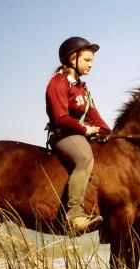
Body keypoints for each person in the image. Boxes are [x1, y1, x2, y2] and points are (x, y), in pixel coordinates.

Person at [45, 36, 111, 236]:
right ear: (72, 59)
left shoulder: (82, 88)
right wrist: (85, 129)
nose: (91, 65)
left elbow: (94, 115)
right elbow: (60, 117)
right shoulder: (57, 83)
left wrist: (110, 133)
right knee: (84, 158)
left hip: (82, 134)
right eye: (87, 60)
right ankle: (75, 216)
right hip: (64, 136)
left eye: (92, 61)